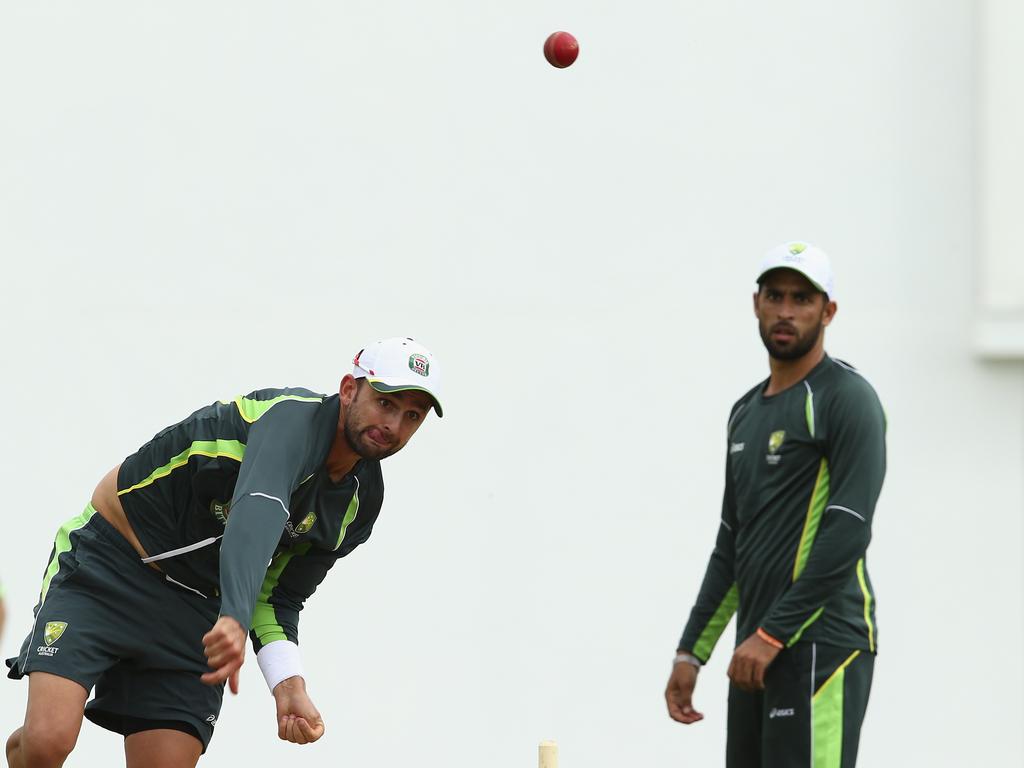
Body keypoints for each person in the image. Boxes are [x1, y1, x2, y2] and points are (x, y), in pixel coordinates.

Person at [6, 337, 444, 768]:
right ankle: (20, 750)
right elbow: (254, 514)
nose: (394, 425)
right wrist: (234, 617)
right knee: (47, 744)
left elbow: (278, 596)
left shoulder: (360, 501)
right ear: (349, 390)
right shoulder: (292, 420)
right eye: (386, 403)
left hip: (198, 609)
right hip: (110, 567)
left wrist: (286, 682)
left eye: (412, 416)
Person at [664, 242, 886, 767]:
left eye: (802, 299)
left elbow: (850, 528)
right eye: (776, 296)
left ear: (827, 311)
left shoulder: (845, 398)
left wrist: (771, 633)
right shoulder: (744, 412)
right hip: (755, 654)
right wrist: (691, 651)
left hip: (822, 644)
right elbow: (731, 544)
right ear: (757, 303)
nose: (786, 311)